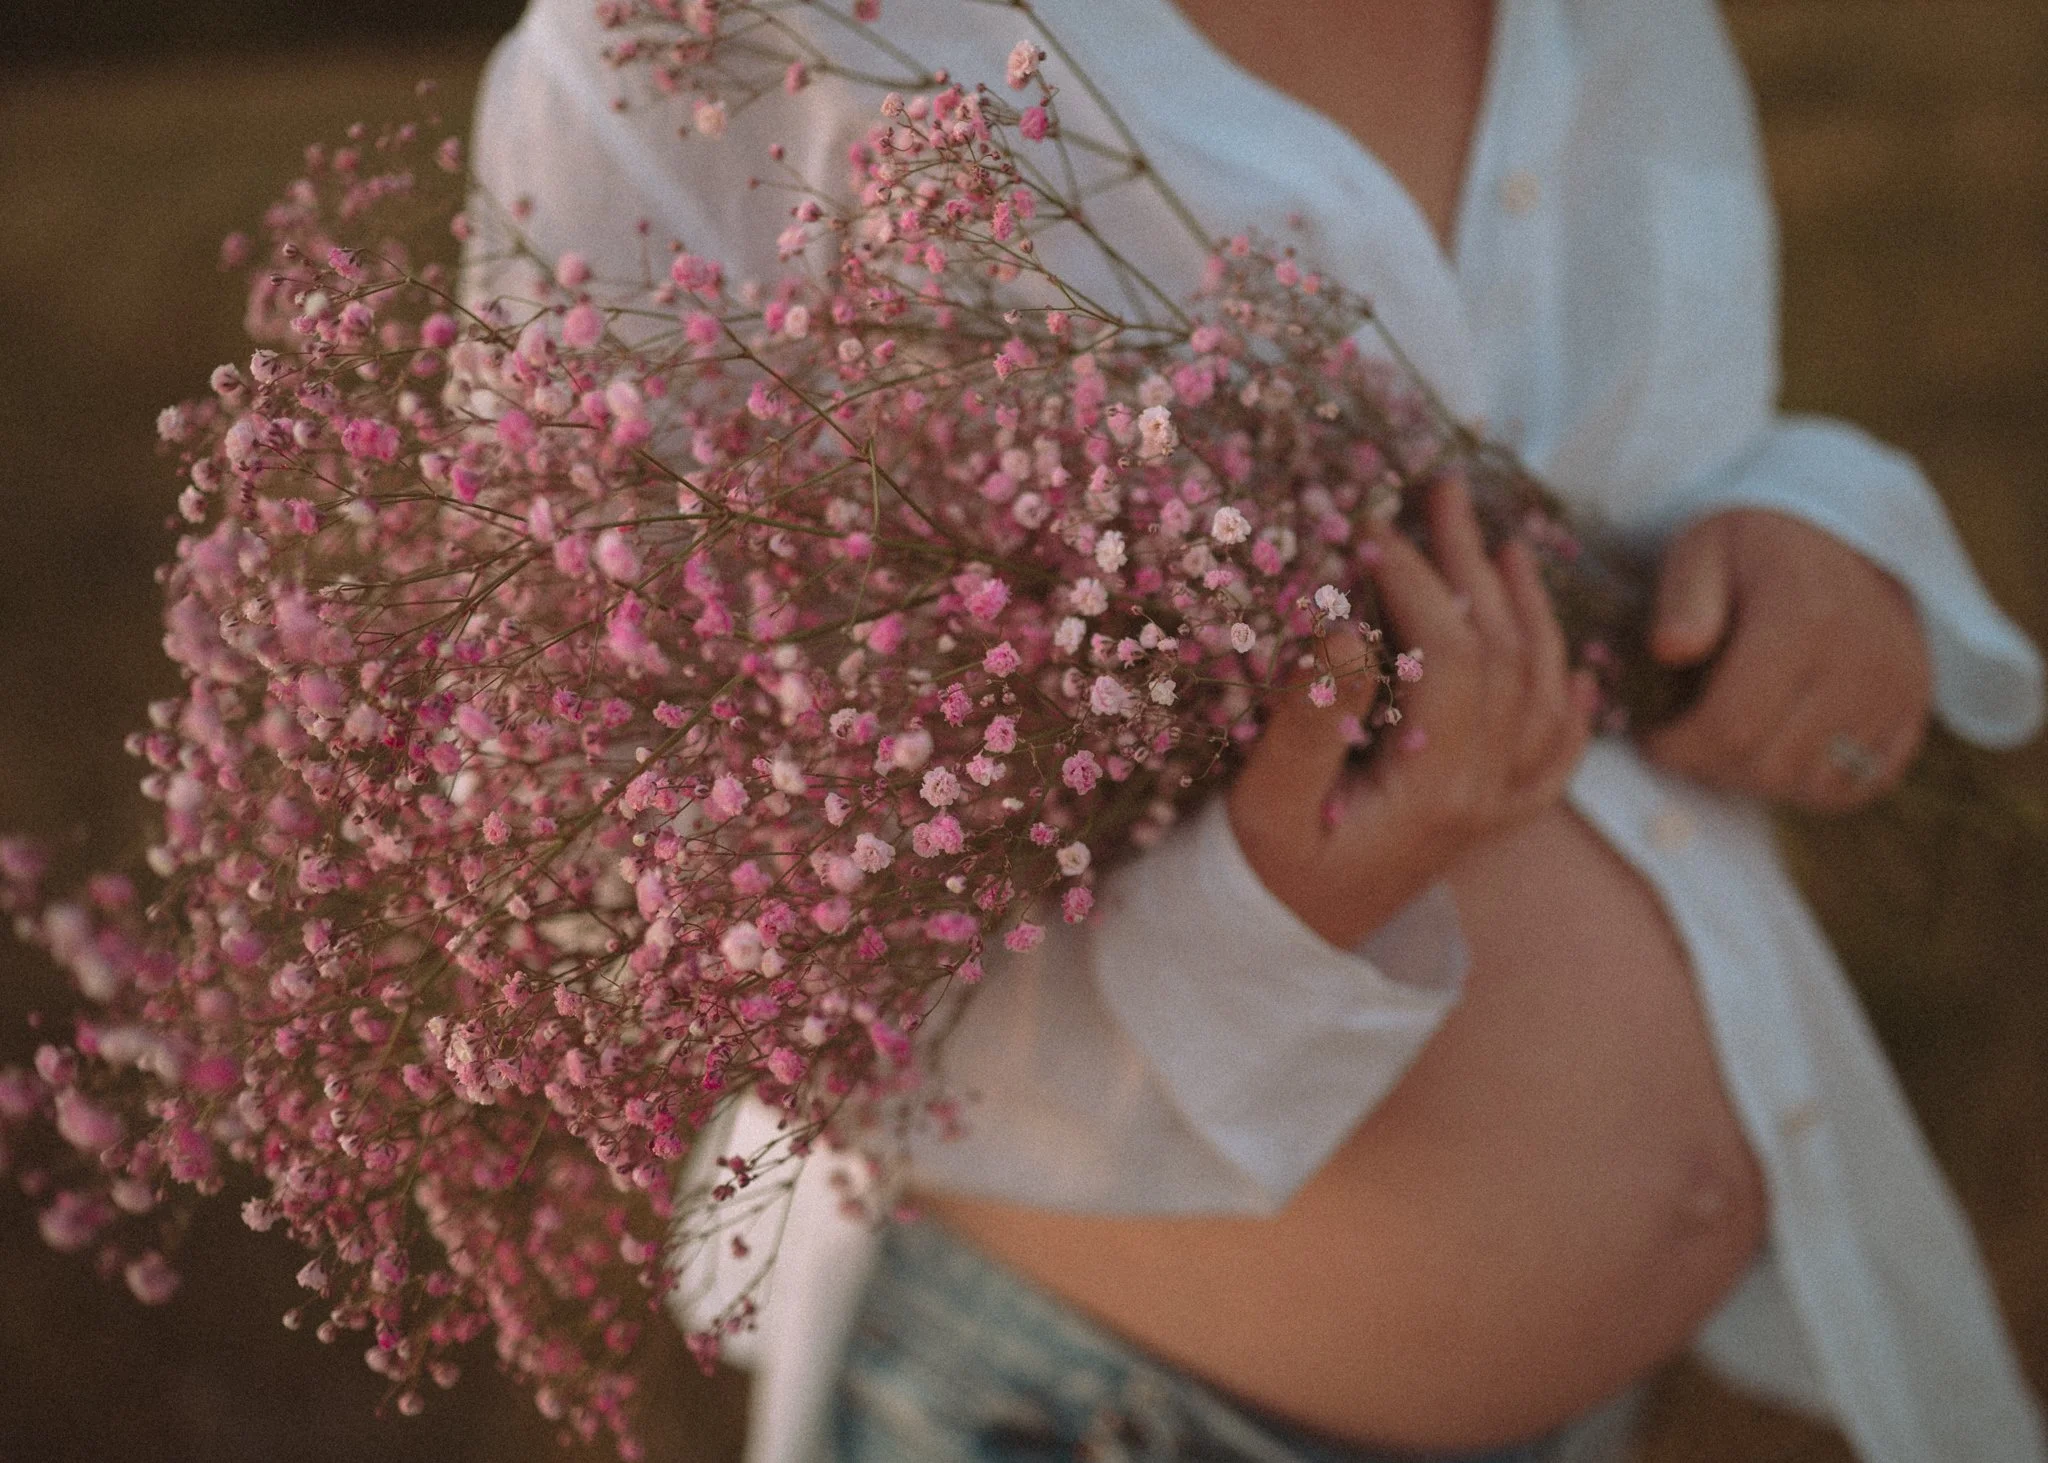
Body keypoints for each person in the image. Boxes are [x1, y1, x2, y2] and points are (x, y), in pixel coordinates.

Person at [464, 1, 2048, 1459]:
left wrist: (1819, 532)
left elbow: (1651, 441)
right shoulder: (708, 42)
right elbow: (632, 873)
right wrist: (1254, 925)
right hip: (1074, 1405)